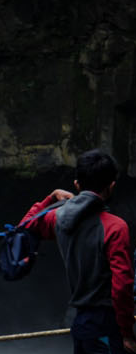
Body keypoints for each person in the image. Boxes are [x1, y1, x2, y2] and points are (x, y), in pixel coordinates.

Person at [19, 149, 136, 354]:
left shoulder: (59, 219)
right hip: (106, 325)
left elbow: (24, 227)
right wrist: (127, 332)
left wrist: (50, 198)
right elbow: (122, 286)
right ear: (111, 187)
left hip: (80, 321)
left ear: (76, 185)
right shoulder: (115, 228)